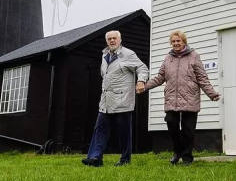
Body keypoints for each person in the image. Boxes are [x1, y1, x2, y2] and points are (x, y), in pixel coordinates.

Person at [138, 30, 220, 165]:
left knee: (188, 130)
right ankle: (177, 151)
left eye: (178, 41)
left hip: (190, 97)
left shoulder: (194, 56)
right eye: (173, 41)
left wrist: (211, 94)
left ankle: (187, 157)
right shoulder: (168, 58)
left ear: (184, 42)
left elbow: (202, 78)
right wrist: (145, 86)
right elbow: (160, 77)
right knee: (171, 122)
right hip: (172, 98)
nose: (176, 43)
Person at [82, 30, 149, 167]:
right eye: (109, 39)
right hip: (106, 100)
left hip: (122, 99)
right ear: (106, 41)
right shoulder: (104, 55)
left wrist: (141, 81)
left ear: (120, 40)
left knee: (124, 132)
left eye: (114, 38)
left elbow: (142, 68)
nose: (112, 41)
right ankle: (95, 158)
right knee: (99, 129)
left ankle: (125, 160)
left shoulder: (128, 54)